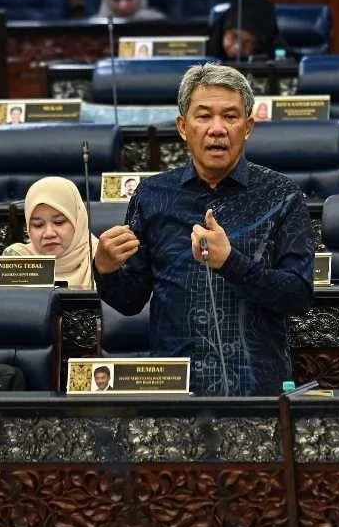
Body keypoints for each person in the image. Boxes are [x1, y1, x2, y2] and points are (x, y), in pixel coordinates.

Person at [94, 63, 314, 396]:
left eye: (230, 116)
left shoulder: (282, 195)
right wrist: (106, 270)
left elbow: (298, 296)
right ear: (183, 127)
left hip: (257, 391)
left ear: (248, 127)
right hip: (175, 392)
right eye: (204, 116)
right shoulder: (152, 196)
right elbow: (130, 301)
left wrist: (231, 263)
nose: (217, 129)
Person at [3, 177, 99, 289]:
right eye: (38, 225)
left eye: (59, 222)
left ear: (78, 222)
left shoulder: (102, 256)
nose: (49, 234)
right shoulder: (18, 259)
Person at [209, 0, 285, 61]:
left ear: (259, 46)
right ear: (223, 33)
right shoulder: (207, 49)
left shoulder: (274, 56)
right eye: (234, 37)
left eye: (247, 42)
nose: (237, 47)